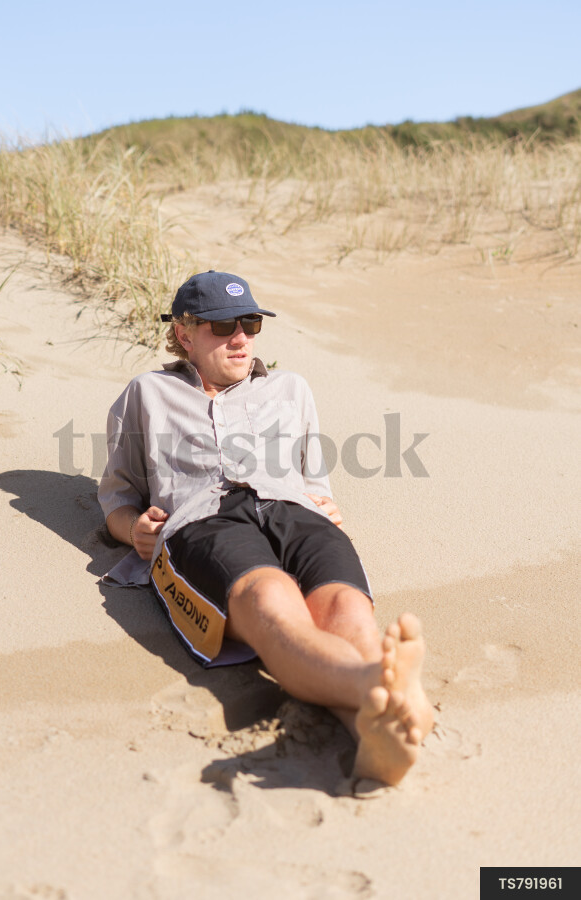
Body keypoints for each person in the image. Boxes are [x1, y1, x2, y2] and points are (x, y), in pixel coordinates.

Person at [99, 270, 434, 785]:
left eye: (251, 323)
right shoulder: (147, 394)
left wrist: (326, 504)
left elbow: (313, 478)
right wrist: (133, 530)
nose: (240, 337)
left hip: (293, 510)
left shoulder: (290, 388)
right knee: (272, 600)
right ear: (185, 333)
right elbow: (118, 498)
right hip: (203, 521)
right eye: (222, 325)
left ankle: (377, 724)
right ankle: (380, 687)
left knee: (344, 605)